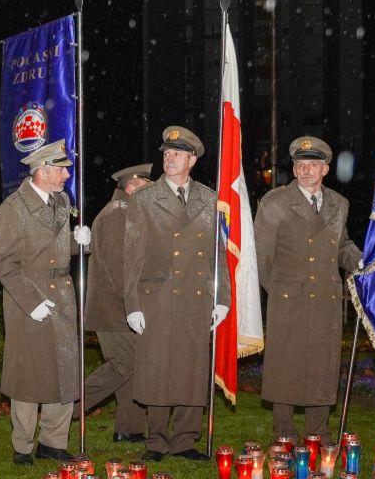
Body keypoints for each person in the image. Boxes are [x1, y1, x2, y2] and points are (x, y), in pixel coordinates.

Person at [122, 127, 228, 461]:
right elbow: (132, 255)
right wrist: (132, 304)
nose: (169, 159)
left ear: (192, 160)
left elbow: (219, 254)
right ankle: (156, 440)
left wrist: (222, 298)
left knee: (191, 369)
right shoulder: (144, 199)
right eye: (166, 153)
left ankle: (185, 439)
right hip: (157, 296)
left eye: (177, 154)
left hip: (196, 299)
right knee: (158, 369)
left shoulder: (210, 199)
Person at [254, 135, 362, 442]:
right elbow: (262, 256)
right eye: (300, 165)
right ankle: (284, 433)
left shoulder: (339, 204)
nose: (305, 171)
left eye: (313, 165)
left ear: (325, 169)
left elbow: (341, 247)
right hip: (288, 299)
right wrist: (278, 290)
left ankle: (318, 432)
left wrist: (365, 262)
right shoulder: (275, 202)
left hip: (327, 301)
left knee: (322, 366)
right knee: (284, 367)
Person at [0, 140, 89, 465]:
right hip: (28, 298)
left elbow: (58, 251)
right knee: (28, 373)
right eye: (61, 169)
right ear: (43, 170)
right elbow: (4, 263)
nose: (66, 174)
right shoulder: (15, 208)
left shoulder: (62, 201)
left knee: (63, 369)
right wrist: (32, 301)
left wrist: (81, 245)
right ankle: (23, 446)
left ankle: (53, 442)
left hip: (62, 295)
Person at [83, 162, 152, 443]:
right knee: (125, 364)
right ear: (132, 186)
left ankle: (129, 427)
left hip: (117, 307)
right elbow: (118, 267)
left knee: (130, 367)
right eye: (146, 188)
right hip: (115, 309)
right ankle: (70, 405)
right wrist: (133, 302)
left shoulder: (127, 213)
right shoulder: (118, 215)